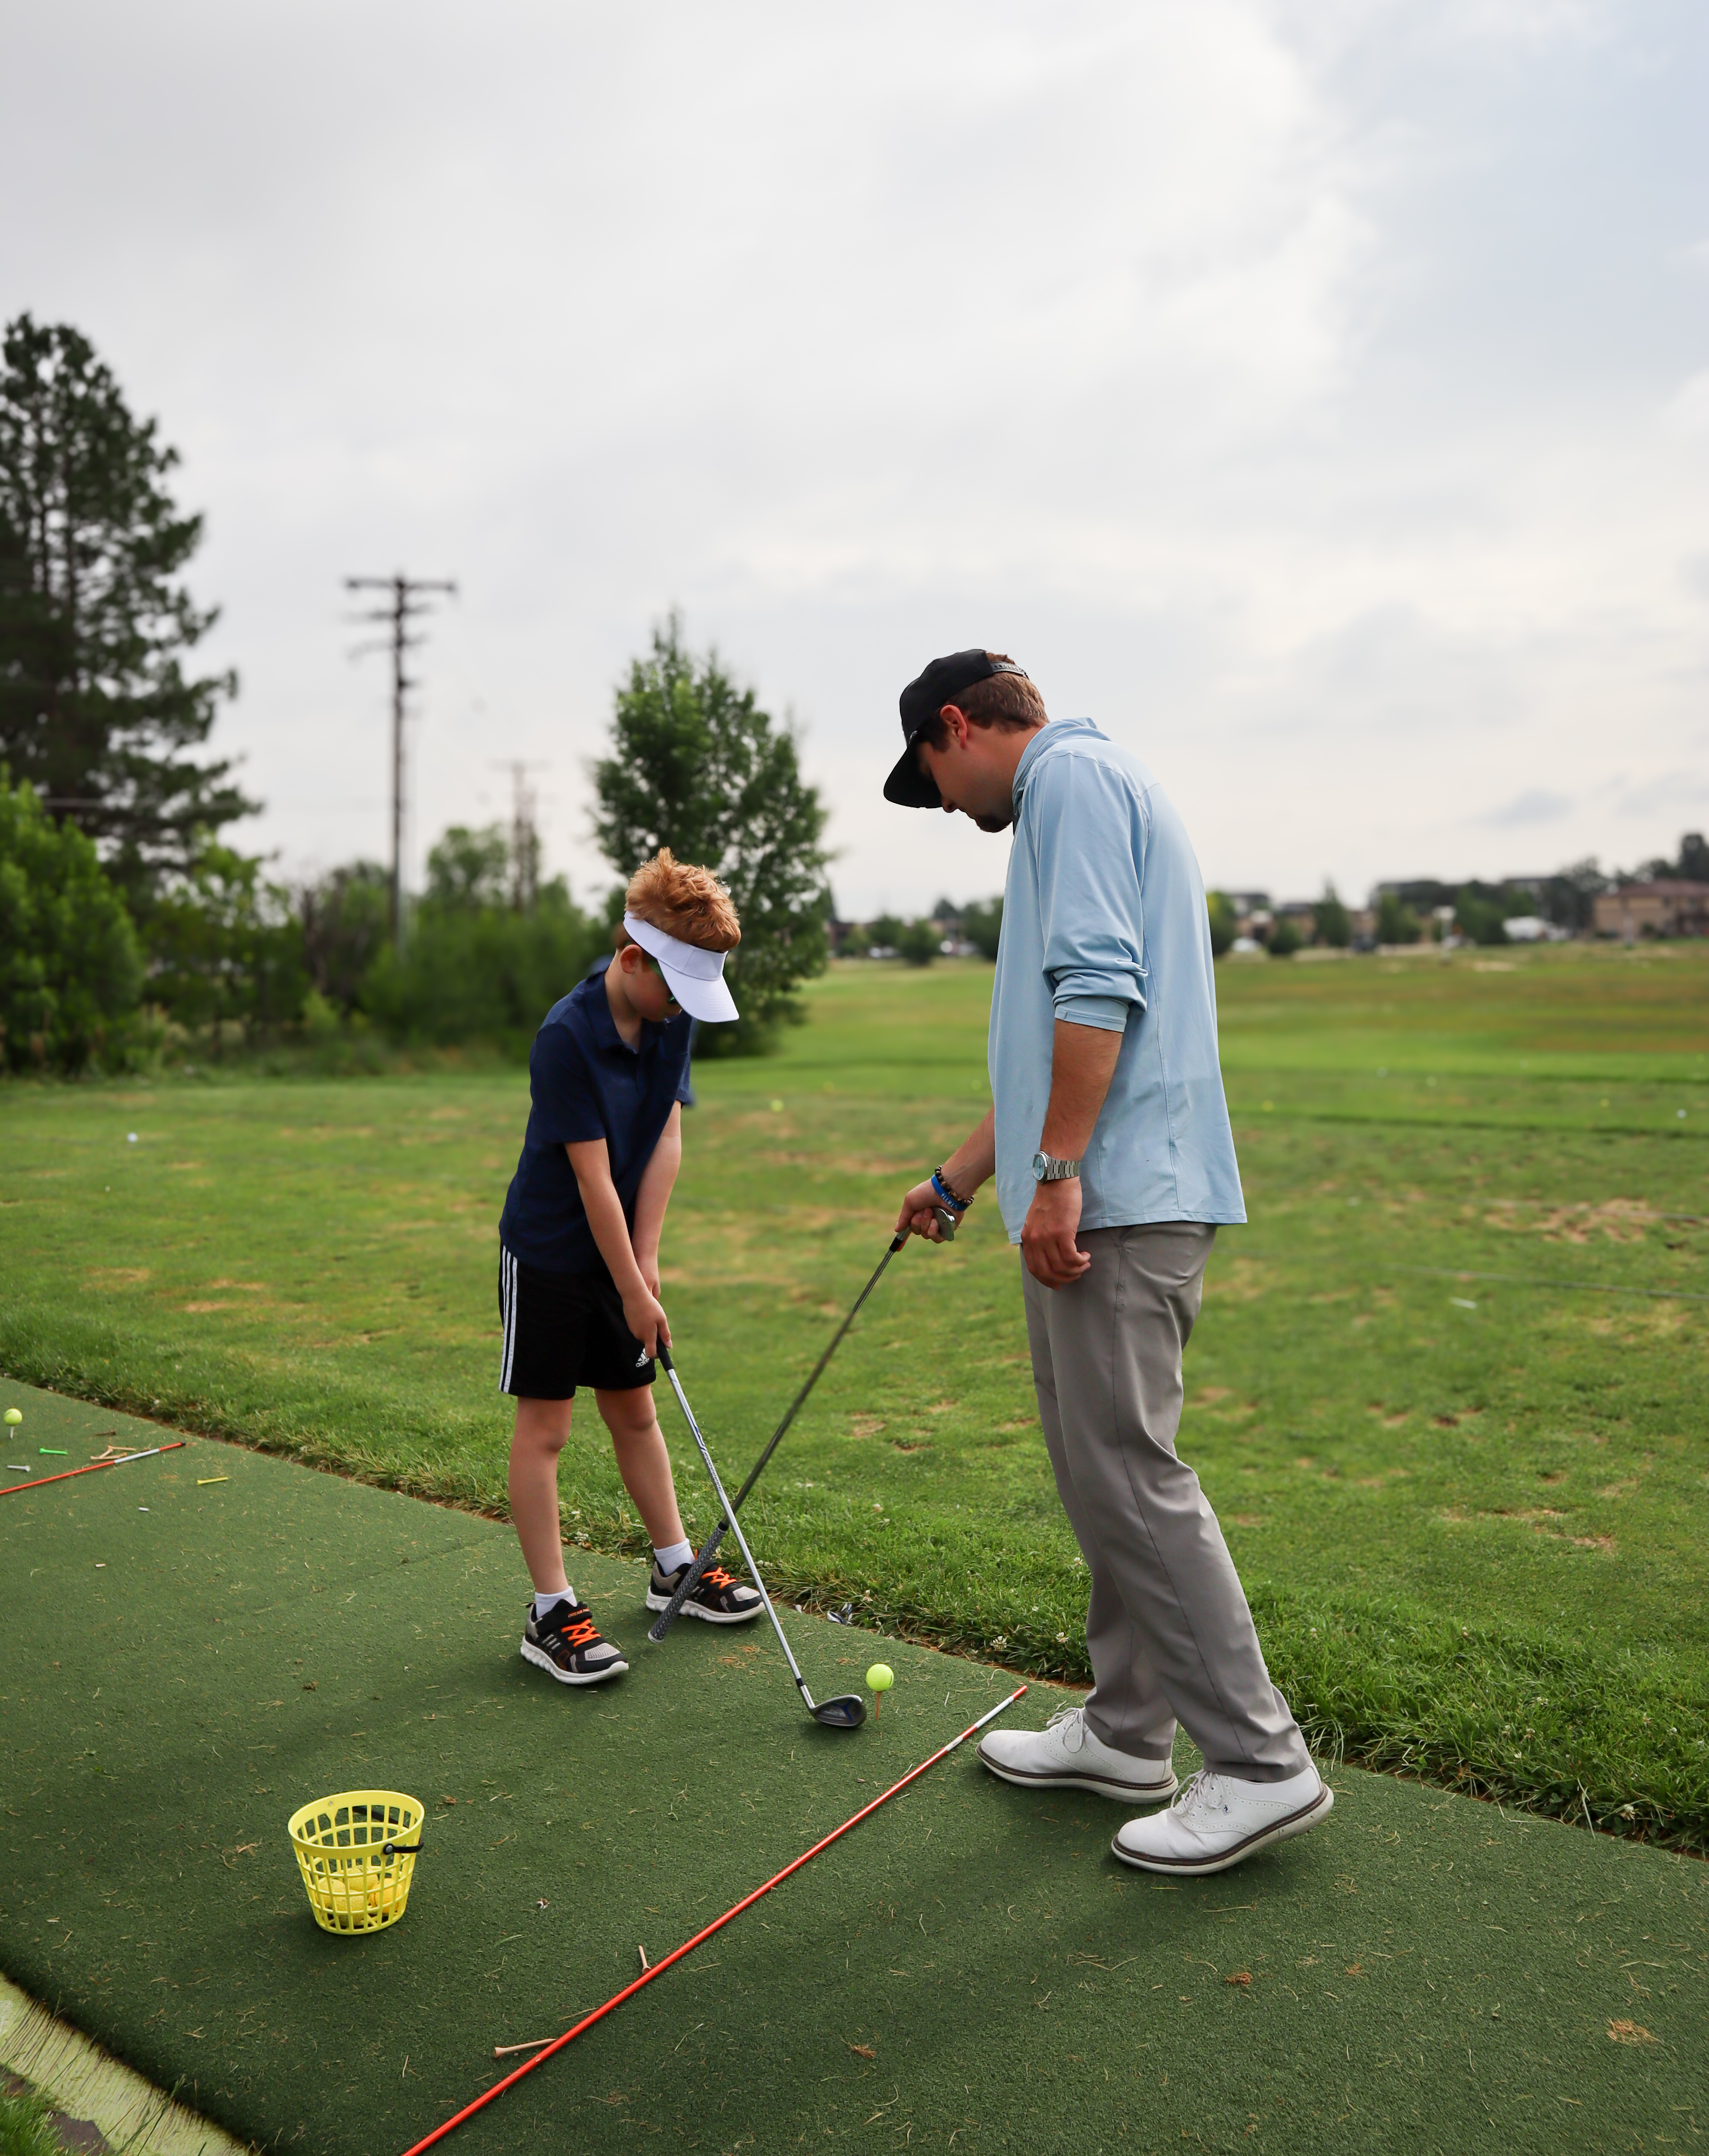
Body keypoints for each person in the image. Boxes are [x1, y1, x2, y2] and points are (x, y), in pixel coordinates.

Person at [886, 650, 1331, 1875]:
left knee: (1130, 1473)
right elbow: (1043, 1038)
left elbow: (1098, 989)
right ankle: (1131, 1732)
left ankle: (1259, 1759)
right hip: (1103, 1188)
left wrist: (1062, 1171)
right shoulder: (1090, 782)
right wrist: (964, 1179)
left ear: (956, 729)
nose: (952, 808)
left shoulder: (1071, 783)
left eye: (934, 777)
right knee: (1099, 1474)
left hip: (1119, 1197)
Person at [496, 849, 761, 1686]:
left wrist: (645, 1267)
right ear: (632, 959)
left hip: (618, 1252)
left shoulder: (668, 1020)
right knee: (547, 1430)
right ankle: (549, 1613)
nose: (684, 1011)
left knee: (636, 1413)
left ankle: (673, 1568)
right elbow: (592, 1178)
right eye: (677, 991)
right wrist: (631, 1285)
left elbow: (663, 1142)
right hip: (547, 1252)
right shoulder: (565, 1038)